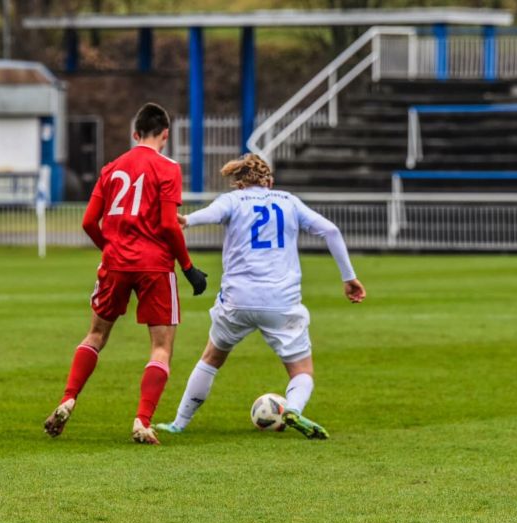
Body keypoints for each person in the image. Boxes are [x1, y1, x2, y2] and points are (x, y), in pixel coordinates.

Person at [156, 154, 365, 440]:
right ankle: (292, 408)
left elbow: (211, 213)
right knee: (302, 371)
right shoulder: (288, 201)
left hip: (237, 300)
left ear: (239, 183)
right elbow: (331, 230)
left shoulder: (234, 200)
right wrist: (348, 277)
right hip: (281, 301)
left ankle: (178, 423)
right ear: (270, 181)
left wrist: (187, 220)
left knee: (211, 359)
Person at [44, 103, 208, 445]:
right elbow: (167, 223)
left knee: (95, 336)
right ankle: (142, 420)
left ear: (135, 134)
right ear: (165, 134)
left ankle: (67, 399)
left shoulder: (112, 168)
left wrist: (109, 249)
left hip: (115, 263)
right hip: (154, 266)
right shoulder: (168, 168)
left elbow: (89, 221)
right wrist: (189, 268)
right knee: (161, 348)